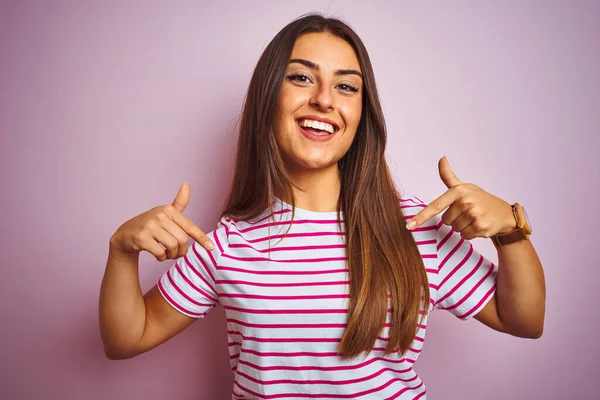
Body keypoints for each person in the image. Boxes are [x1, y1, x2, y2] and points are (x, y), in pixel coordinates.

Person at [99, 13, 546, 399]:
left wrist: (510, 229)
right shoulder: (228, 243)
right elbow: (126, 338)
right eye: (301, 77)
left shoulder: (413, 225)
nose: (325, 99)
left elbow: (523, 320)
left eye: (346, 86)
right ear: (267, 98)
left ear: (360, 115)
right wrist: (122, 251)